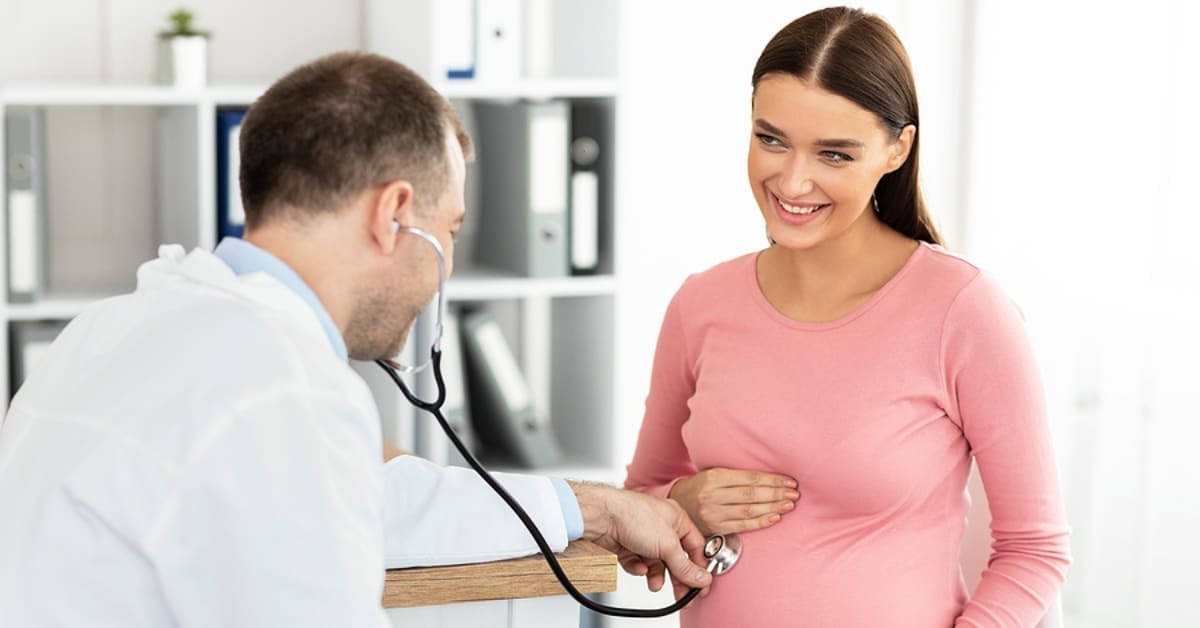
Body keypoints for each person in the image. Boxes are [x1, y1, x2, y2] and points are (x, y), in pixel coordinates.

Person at [0, 51, 711, 627]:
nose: (449, 265)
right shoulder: (282, 387)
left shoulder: (122, 326)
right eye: (452, 229)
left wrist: (596, 508)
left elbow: (368, 502)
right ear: (395, 213)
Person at [623, 7, 1070, 627]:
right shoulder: (701, 304)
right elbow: (639, 498)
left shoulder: (964, 311)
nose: (793, 180)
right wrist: (680, 502)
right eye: (770, 138)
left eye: (834, 154)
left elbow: (1035, 550)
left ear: (897, 148)